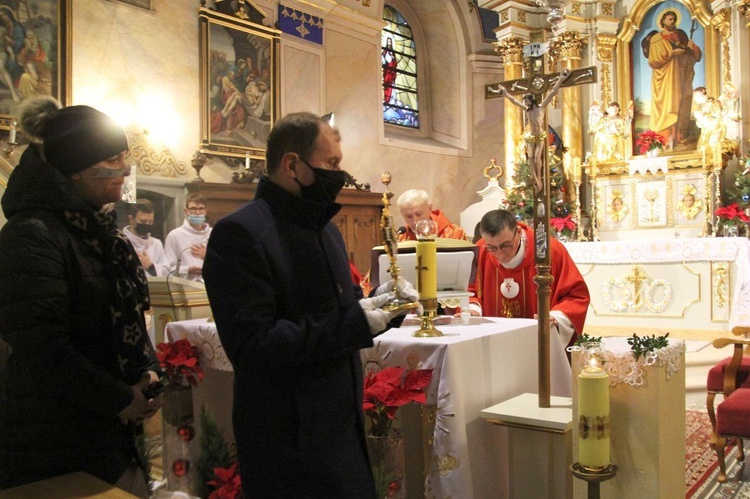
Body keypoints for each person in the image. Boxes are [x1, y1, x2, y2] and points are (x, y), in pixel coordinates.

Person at [202, 112, 418, 498]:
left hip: (340, 422)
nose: (341, 173)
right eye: (332, 163)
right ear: (293, 165)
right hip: (287, 435)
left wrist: (384, 308)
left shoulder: (325, 229)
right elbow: (253, 345)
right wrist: (358, 321)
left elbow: (341, 310)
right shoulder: (241, 233)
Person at [0, 97, 162, 495]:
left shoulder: (98, 229)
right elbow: (40, 345)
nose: (124, 170)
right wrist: (119, 398)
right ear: (74, 170)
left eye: (125, 157)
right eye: (113, 159)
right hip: (53, 439)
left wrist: (148, 374)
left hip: (108, 429)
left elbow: (129, 319)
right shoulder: (32, 235)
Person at [468, 209, 590, 350]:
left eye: (506, 246)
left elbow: (576, 296)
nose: (500, 254)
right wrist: (473, 309)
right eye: (492, 248)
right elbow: (469, 291)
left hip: (538, 346)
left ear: (518, 232)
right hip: (494, 345)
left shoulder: (550, 251)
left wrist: (555, 316)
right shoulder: (480, 251)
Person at [491, 69, 570, 192]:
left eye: (527, 101)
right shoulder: (527, 110)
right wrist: (505, 93)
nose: (525, 103)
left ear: (531, 100)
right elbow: (514, 101)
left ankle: (539, 182)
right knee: (531, 157)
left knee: (538, 156)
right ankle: (536, 180)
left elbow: (553, 92)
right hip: (530, 136)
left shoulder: (541, 108)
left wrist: (561, 78)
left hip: (539, 136)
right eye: (525, 102)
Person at [643, 9, 702, 148]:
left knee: (680, 103)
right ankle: (664, 140)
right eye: (669, 19)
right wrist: (671, 53)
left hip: (679, 75)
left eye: (674, 19)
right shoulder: (656, 39)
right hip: (663, 77)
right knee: (666, 105)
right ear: (662, 21)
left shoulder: (681, 34)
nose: (672, 21)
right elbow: (653, 60)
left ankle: (679, 138)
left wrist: (691, 47)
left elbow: (693, 56)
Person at [164, 193, 212, 281]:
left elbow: (226, 262)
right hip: (186, 286)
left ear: (206, 211)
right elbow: (168, 268)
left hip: (210, 284)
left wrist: (208, 256)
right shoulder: (174, 235)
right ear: (186, 211)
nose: (197, 213)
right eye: (193, 209)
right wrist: (187, 270)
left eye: (201, 209)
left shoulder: (213, 233)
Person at [397, 188, 468, 242]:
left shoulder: (454, 233)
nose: (415, 221)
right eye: (409, 217)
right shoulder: (401, 238)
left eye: (419, 214)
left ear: (430, 208)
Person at [124, 198, 170, 277]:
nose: (147, 225)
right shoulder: (122, 242)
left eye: (150, 221)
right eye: (143, 221)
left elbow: (167, 272)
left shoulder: (156, 244)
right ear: (131, 219)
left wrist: (150, 266)